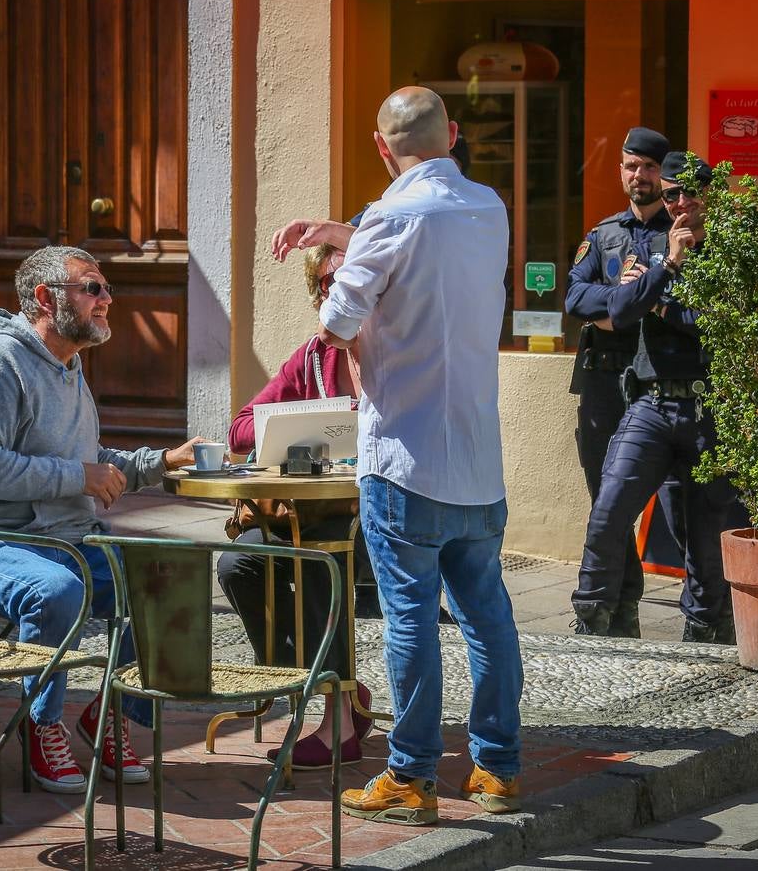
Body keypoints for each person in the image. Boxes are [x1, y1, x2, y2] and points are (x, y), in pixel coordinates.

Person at [273, 87, 523, 825]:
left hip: (405, 457)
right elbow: (426, 247)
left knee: (410, 619)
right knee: (487, 617)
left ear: (382, 148)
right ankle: (497, 770)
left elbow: (337, 317)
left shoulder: (389, 216)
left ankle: (411, 777)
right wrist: (350, 233)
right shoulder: (488, 208)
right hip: (476, 457)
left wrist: (351, 246)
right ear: (450, 134)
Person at [0, 245, 202, 794]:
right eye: (92, 289)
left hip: (63, 538)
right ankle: (41, 723)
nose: (108, 300)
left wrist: (162, 462)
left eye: (106, 289)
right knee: (57, 591)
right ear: (45, 300)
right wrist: (78, 477)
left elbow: (89, 462)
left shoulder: (68, 368)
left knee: (161, 578)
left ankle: (109, 715)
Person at [219, 243, 375, 770]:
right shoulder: (312, 358)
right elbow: (241, 428)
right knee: (238, 562)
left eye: (351, 279)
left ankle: (339, 720)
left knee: (319, 561)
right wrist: (301, 426)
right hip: (309, 513)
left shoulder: (396, 352)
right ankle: (327, 684)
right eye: (329, 283)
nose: (339, 292)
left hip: (379, 518)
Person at [571, 152, 739, 644]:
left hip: (709, 408)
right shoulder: (654, 250)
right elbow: (621, 309)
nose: (681, 201)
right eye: (672, 193)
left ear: (710, 194)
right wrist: (667, 267)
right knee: (609, 508)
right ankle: (593, 617)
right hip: (650, 403)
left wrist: (659, 305)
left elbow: (713, 323)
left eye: (693, 190)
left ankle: (708, 628)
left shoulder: (730, 254)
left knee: (702, 529)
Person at [564, 126, 677, 638]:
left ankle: (704, 611)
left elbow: (664, 310)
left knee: (672, 505)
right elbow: (574, 300)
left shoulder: (675, 236)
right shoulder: (604, 234)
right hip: (602, 384)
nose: (639, 176)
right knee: (604, 500)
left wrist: (617, 309)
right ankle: (619, 606)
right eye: (631, 166)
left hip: (652, 383)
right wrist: (622, 306)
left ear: (661, 173)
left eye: (649, 168)